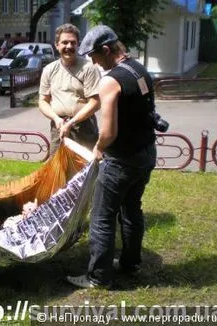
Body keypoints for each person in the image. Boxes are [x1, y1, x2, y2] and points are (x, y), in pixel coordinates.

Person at [66, 25, 157, 289]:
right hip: (145, 153)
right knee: (131, 209)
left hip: (121, 160)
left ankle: (98, 276)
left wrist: (98, 148)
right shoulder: (139, 70)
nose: (93, 62)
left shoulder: (110, 81)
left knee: (102, 217)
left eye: (94, 56)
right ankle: (131, 263)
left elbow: (108, 131)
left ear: (106, 50)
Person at [39, 23, 101, 156]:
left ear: (78, 44)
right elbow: (43, 101)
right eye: (64, 42)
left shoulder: (89, 68)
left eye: (73, 43)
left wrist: (72, 122)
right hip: (58, 127)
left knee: (85, 169)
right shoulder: (49, 70)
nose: (69, 47)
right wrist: (56, 119)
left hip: (84, 128)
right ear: (57, 45)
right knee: (58, 170)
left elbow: (95, 102)